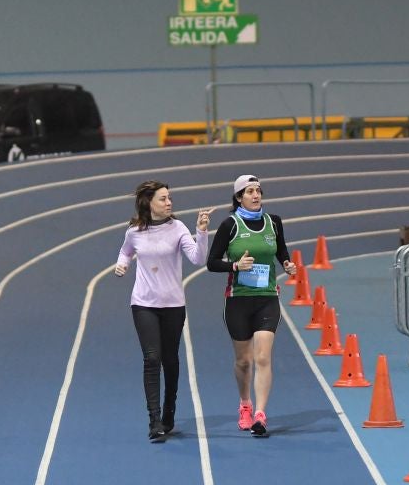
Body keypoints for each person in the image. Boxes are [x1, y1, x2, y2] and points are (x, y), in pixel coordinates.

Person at [116, 180, 210, 443]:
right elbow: (125, 252)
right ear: (149, 202)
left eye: (169, 198)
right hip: (144, 303)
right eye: (163, 198)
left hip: (173, 305)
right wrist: (121, 265)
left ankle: (169, 410)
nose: (169, 203)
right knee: (151, 358)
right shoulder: (134, 231)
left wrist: (201, 233)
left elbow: (198, 259)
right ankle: (154, 420)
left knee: (170, 359)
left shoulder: (178, 228)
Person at [207, 174, 296, 438]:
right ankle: (245, 404)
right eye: (250, 191)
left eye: (258, 191)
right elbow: (212, 262)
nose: (256, 195)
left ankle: (260, 414)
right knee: (244, 361)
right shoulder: (229, 225)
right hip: (238, 301)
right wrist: (234, 266)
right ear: (238, 197)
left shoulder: (274, 222)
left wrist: (288, 265)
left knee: (262, 357)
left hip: (267, 298)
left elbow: (281, 250)